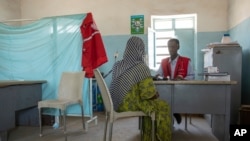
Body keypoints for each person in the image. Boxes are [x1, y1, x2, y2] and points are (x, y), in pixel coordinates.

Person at [109, 36, 171, 141]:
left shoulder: (117, 65)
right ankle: (160, 137)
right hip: (130, 106)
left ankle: (149, 137)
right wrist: (155, 94)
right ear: (141, 50)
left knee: (149, 106)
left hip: (115, 104)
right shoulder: (141, 67)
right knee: (163, 105)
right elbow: (147, 95)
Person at [155, 38, 195, 124]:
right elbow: (159, 74)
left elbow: (192, 76)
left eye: (173, 47)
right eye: (169, 47)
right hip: (167, 90)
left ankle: (174, 112)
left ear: (178, 47)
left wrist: (183, 79)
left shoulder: (186, 61)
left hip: (181, 90)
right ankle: (173, 113)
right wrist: (159, 76)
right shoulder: (164, 61)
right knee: (161, 96)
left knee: (171, 98)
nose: (171, 49)